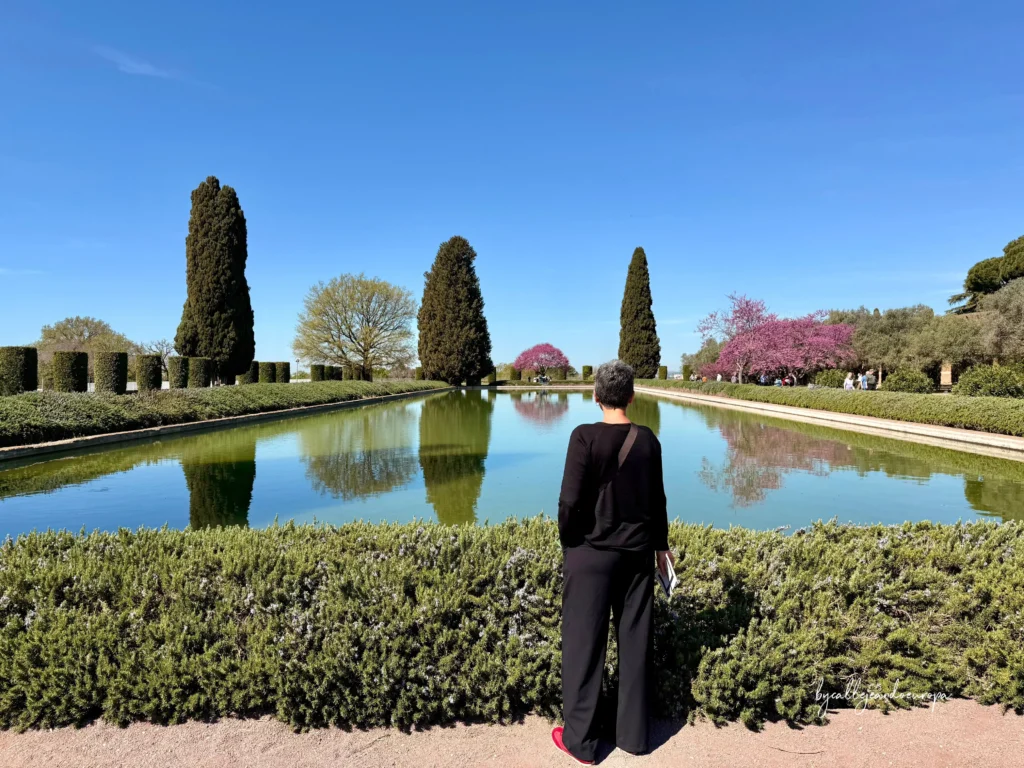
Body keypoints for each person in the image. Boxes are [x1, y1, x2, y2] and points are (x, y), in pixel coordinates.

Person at [552, 360, 673, 764]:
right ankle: (633, 737)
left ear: (595, 396)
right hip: (637, 556)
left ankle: (582, 742)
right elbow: (657, 501)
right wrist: (661, 546)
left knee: (584, 645)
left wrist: (571, 542)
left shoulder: (583, 436)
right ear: (632, 396)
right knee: (635, 641)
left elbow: (569, 501)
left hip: (590, 555)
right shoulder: (648, 440)